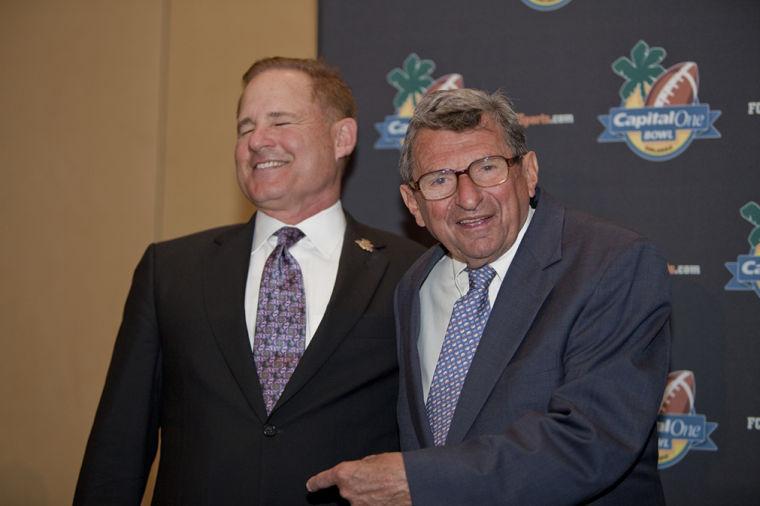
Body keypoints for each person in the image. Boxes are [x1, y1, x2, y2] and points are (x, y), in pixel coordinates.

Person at [74, 57, 424, 505]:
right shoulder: (172, 270)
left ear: (342, 138)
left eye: (280, 121)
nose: (257, 141)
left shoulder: (411, 273)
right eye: (245, 127)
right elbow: (118, 446)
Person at [307, 88, 671, 504]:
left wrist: (421, 482)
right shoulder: (415, 286)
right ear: (414, 203)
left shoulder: (611, 265)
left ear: (529, 172)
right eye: (440, 180)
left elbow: (591, 441)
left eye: (487, 167)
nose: (468, 197)